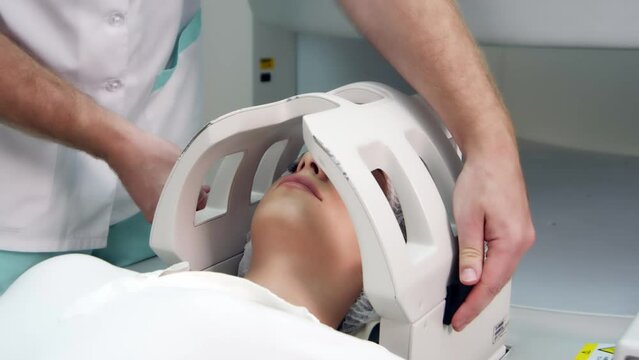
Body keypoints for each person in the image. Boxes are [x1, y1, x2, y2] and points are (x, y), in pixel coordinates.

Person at [0, 0, 535, 331]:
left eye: (366, 185)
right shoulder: (65, 289)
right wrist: (116, 142)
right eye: (312, 154)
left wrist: (489, 142)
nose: (312, 162)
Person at [0, 153, 400, 359]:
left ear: (391, 256)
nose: (310, 163)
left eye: (350, 177)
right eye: (296, 162)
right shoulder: (72, 275)